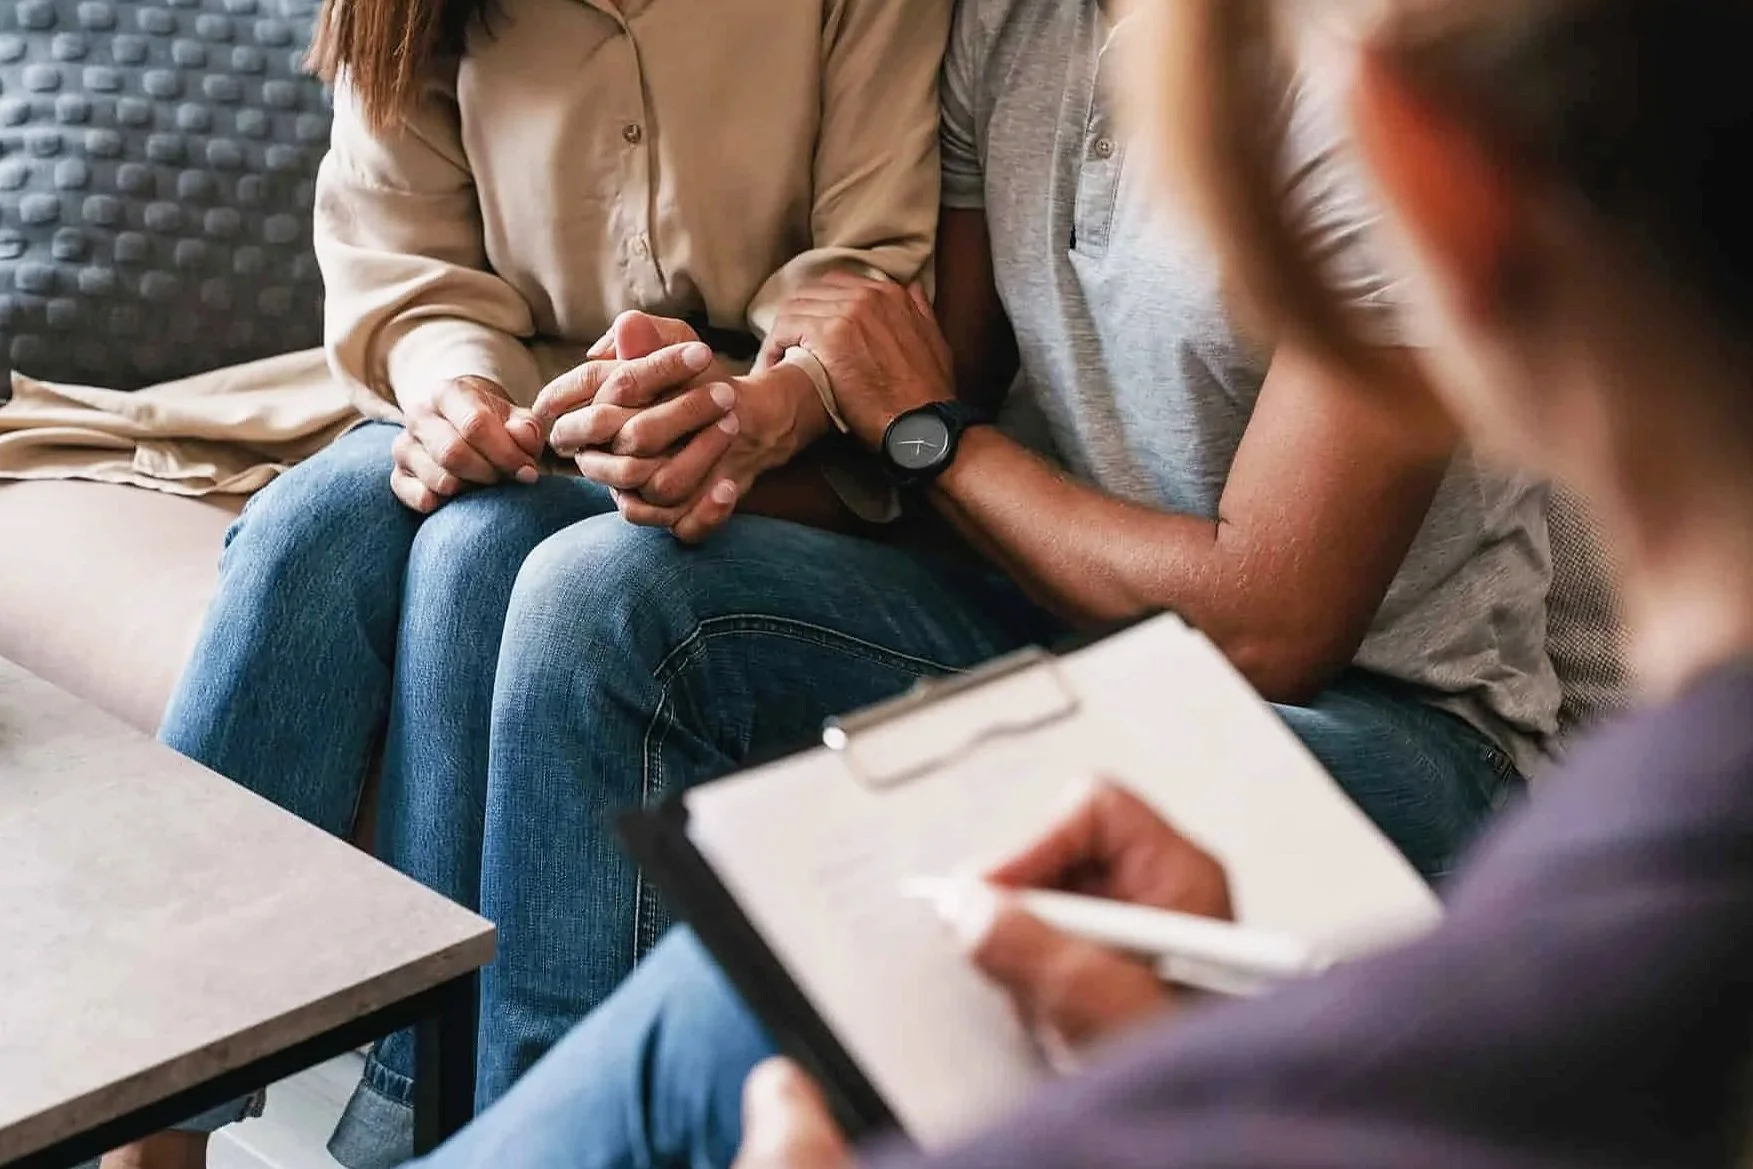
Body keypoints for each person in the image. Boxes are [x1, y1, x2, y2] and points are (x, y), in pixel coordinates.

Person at [406, 0, 1753, 1165]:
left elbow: (1272, 619)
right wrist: (723, 432)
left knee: (759, 988)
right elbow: (937, 384)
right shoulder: (1015, 21)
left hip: (1382, 720)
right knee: (600, 587)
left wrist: (926, 437)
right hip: (1061, 625)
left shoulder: (1360, 76)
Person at [136, 1, 950, 1168]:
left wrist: (742, 400)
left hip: (759, 426)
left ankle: (430, 1115)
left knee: (479, 548)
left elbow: (868, 268)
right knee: (307, 527)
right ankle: (143, 1137)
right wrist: (457, 391)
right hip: (517, 391)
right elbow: (404, 264)